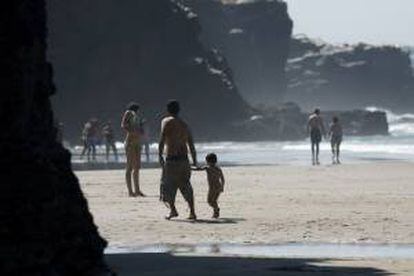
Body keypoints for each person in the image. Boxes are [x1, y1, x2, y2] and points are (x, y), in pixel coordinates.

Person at [159, 100, 197, 220]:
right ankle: (192, 212)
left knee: (168, 185)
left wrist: (160, 155)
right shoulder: (185, 124)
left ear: (168, 110)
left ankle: (173, 210)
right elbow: (191, 144)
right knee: (186, 185)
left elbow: (162, 138)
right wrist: (194, 161)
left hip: (172, 159)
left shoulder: (166, 121)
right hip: (184, 159)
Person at [121, 102, 145, 197]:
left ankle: (137, 190)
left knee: (137, 167)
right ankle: (131, 191)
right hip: (130, 142)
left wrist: (140, 128)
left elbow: (140, 130)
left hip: (137, 142)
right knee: (130, 167)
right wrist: (133, 130)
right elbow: (123, 125)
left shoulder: (136, 116)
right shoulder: (128, 112)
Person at [192, 153, 225, 218]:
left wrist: (190, 168)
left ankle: (216, 209)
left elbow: (199, 169)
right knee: (214, 201)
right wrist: (222, 186)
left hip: (213, 188)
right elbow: (222, 179)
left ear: (207, 161)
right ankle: (216, 211)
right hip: (218, 186)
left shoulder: (208, 168)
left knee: (210, 201)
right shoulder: (218, 169)